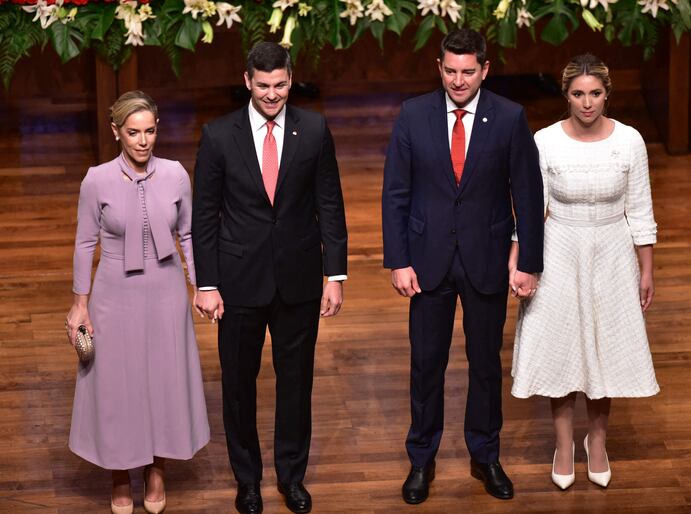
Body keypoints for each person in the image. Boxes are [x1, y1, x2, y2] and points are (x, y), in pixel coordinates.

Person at [382, 29, 544, 504]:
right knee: (425, 365)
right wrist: (398, 261)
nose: (458, 80)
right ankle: (421, 459)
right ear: (439, 68)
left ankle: (486, 455)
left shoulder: (510, 117)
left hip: (487, 261)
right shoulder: (413, 114)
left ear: (485, 70)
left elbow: (528, 196)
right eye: (450, 71)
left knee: (485, 366)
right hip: (426, 263)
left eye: (468, 71)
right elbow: (396, 193)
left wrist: (529, 262)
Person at [191, 42, 347, 514]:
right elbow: (205, 216)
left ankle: (292, 477)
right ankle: (248, 481)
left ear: (290, 78)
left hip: (299, 279)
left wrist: (334, 274)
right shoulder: (218, 136)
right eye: (263, 86)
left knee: (296, 383)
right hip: (238, 281)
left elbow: (330, 205)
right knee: (238, 385)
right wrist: (207, 283)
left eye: (280, 85)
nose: (273, 94)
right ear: (247, 81)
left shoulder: (315, 129)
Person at [510, 53, 659, 490]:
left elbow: (641, 209)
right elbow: (531, 211)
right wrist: (519, 262)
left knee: (603, 348)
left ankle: (597, 442)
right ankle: (562, 445)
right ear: (567, 95)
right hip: (560, 249)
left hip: (613, 251)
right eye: (578, 94)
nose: (587, 103)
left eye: (595, 94)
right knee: (563, 349)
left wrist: (646, 270)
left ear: (607, 94)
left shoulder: (630, 141)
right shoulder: (545, 141)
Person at [65, 90, 210, 514]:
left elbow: (187, 235)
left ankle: (157, 468)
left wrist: (200, 285)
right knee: (116, 384)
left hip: (165, 291)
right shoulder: (96, 179)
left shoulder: (176, 174)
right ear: (116, 132)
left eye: (149, 131)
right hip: (114, 291)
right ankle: (118, 474)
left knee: (163, 378)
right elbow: (83, 243)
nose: (143, 141)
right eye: (133, 132)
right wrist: (80, 304)